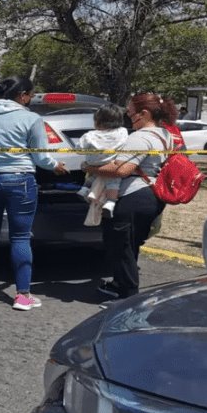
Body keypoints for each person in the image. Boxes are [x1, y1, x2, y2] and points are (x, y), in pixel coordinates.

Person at [0, 77, 69, 311]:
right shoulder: (31, 118)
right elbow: (40, 156)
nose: (31, 100)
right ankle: (22, 295)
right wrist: (56, 166)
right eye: (30, 95)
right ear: (22, 95)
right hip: (20, 179)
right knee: (20, 237)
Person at [85, 93, 177, 300]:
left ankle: (128, 296)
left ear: (144, 114)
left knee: (121, 245)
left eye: (130, 112)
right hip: (150, 195)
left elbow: (120, 170)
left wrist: (88, 166)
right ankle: (120, 284)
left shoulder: (140, 137)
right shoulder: (165, 134)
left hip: (133, 196)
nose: (127, 116)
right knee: (131, 244)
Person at [76, 104, 128, 223]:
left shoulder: (90, 135)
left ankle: (84, 189)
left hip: (93, 163)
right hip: (111, 164)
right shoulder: (123, 131)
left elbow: (78, 149)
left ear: (97, 121)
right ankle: (110, 203)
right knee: (114, 182)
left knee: (91, 173)